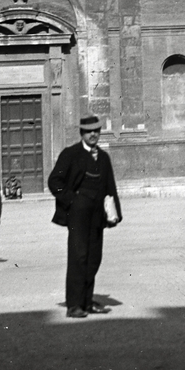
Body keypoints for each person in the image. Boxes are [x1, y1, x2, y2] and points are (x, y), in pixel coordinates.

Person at [47, 115, 122, 318]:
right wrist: (72, 200)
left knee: (94, 258)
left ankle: (88, 302)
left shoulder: (104, 157)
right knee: (78, 257)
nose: (93, 135)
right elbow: (55, 181)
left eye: (96, 131)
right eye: (89, 132)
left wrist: (114, 213)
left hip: (97, 215)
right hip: (78, 215)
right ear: (82, 133)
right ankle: (74, 305)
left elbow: (110, 187)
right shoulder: (70, 154)